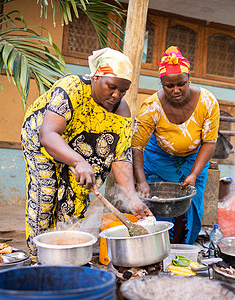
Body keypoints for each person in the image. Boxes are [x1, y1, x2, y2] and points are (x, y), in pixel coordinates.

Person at [21, 48, 152, 257]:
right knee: (46, 193)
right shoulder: (71, 88)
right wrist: (78, 161)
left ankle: (64, 252)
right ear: (96, 77)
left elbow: (120, 156)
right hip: (43, 140)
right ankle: (38, 256)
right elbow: (49, 134)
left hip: (79, 143)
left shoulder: (122, 111)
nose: (116, 95)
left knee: (78, 193)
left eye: (123, 91)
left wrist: (131, 197)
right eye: (111, 87)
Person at [132, 46, 220, 245]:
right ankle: (158, 248)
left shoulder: (207, 102)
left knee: (189, 205)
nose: (176, 90)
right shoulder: (151, 106)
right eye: (169, 86)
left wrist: (194, 174)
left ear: (189, 79)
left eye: (181, 84)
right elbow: (137, 147)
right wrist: (141, 180)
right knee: (158, 205)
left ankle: (181, 248)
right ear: (161, 83)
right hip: (158, 159)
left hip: (194, 160)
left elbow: (209, 142)